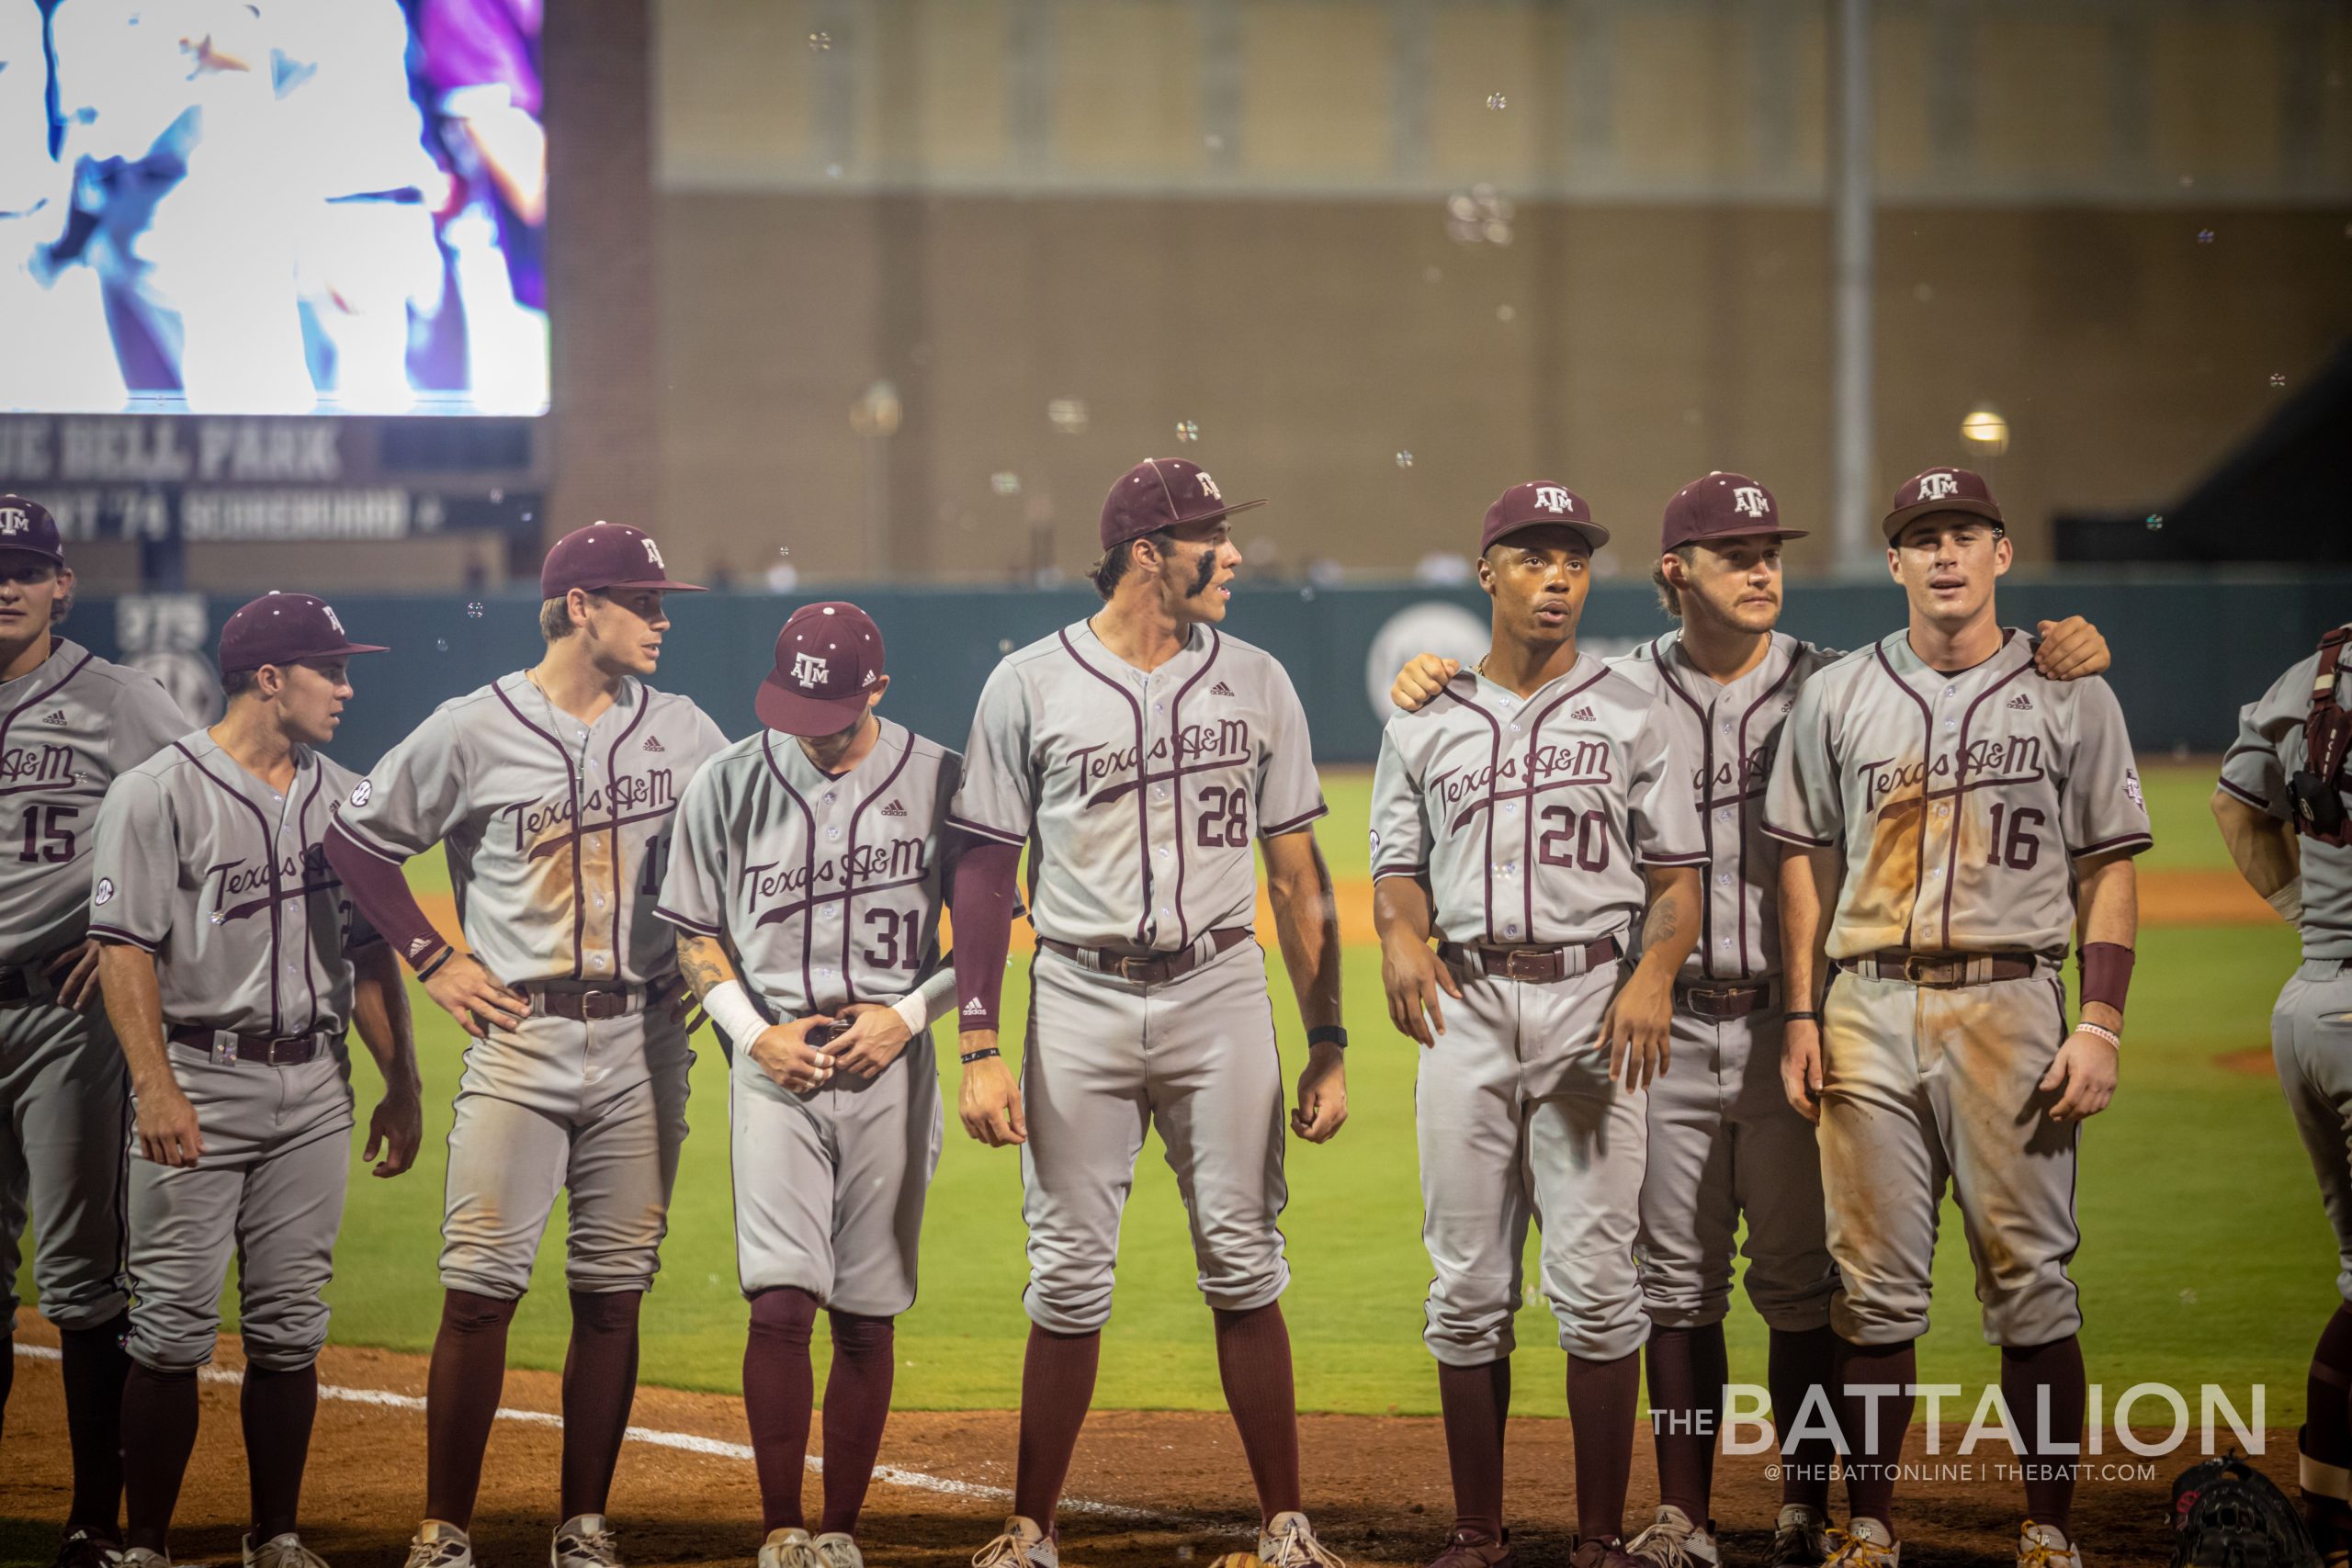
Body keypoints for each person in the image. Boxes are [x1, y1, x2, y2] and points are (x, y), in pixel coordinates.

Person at [1385, 473, 2113, 1567]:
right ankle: (1681, 1510)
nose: (1763, 568)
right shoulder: (1620, 689)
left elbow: (1941, 661)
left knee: (1799, 1280)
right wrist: (1428, 672)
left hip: (1795, 1018)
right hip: (1656, 1022)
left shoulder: (1831, 681)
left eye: (1770, 549)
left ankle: (1806, 1500)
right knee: (1674, 1283)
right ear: (1676, 574)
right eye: (1735, 554)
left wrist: (2064, 641)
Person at [948, 457, 1349, 1568]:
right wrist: (978, 1041)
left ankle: (1287, 1525)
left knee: (1242, 1257)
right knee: (1068, 1270)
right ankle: (1032, 1529)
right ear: (1144, 554)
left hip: (1220, 991)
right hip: (1076, 992)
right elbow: (983, 869)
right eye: (1207, 536)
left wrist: (1328, 1040)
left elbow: (1299, 878)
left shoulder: (1260, 679)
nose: (1231, 554)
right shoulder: (1029, 683)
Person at [1762, 468, 2149, 1568]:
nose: (1942, 554)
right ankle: (1872, 1525)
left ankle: (2048, 1529)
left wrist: (2103, 1021)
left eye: (1963, 533)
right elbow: (1801, 865)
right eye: (1921, 537)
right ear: (1893, 563)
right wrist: (1802, 1013)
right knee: (1871, 1287)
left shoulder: (2071, 686)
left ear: (2000, 554)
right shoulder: (1837, 694)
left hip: (2011, 1002)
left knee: (2029, 1277)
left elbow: (2109, 865)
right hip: (1867, 1002)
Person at [323, 524, 728, 1568]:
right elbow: (355, 839)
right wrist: (431, 957)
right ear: (581, 604)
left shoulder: (687, 732)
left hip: (645, 1042)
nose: (663, 618)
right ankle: (444, 1529)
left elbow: (753, 851)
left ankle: (582, 1527)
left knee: (612, 1291)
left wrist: (717, 979)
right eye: (645, 600)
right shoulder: (473, 728)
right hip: (522, 1037)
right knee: (479, 1288)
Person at [1373, 480, 1705, 1568]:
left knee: (1602, 1286)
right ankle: (1477, 1531)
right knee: (1467, 1283)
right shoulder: (1423, 716)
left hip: (1589, 1007)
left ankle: (1601, 1538)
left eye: (1572, 559)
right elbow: (1396, 868)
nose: (1555, 577)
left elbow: (1675, 880)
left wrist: (1655, 974)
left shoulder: (1631, 708)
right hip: (1466, 1010)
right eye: (1531, 556)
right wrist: (1400, 937)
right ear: (1488, 574)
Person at [91, 592, 421, 1568]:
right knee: (170, 1328)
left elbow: (369, 956)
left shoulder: (348, 801)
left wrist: (401, 1081)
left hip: (315, 1089)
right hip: (200, 1072)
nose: (349, 689)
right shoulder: (158, 792)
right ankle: (144, 1544)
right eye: (333, 671)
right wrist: (154, 1086)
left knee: (288, 1327)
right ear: (269, 678)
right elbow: (123, 949)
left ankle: (274, 1534)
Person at [657, 603, 961, 1568]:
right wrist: (750, 1036)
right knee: (781, 1305)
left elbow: (988, 938)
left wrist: (908, 1014)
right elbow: (694, 931)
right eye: (792, 703)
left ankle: (841, 1533)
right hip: (774, 1064)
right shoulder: (728, 781)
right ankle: (781, 1528)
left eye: (825, 706)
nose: (804, 724)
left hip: (891, 1066)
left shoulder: (944, 777)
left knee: (867, 1316)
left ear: (877, 688)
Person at [0, 493, 189, 1568]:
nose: (6, 582)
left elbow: (205, 814)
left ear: (63, 583)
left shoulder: (121, 699)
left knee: (78, 1275)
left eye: (26, 567)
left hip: (62, 1020)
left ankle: (92, 1519)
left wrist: (127, 935)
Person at [2212, 620, 2352, 1562]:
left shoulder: (2316, 669)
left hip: (2309, 1005)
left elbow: (2235, 808)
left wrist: (2314, 927)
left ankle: (2328, 1512)